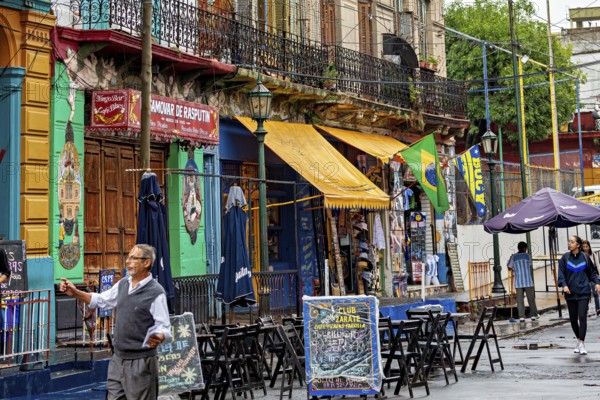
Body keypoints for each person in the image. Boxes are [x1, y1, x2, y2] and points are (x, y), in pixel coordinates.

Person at [60, 244, 171, 399]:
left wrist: (159, 336)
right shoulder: (123, 284)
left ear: (146, 263)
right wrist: (76, 292)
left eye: (133, 258)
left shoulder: (156, 292)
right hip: (118, 358)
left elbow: (165, 327)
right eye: (128, 257)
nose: (128, 261)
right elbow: (101, 300)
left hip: (141, 361)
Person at [558, 235, 600, 355]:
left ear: (578, 245)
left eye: (571, 242)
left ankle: (581, 343)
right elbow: (561, 274)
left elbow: (592, 273)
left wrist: (597, 283)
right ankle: (578, 339)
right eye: (568, 241)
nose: (569, 243)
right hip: (570, 293)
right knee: (572, 319)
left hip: (584, 293)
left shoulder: (586, 257)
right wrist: (564, 285)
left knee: (582, 317)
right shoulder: (565, 258)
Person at [507, 242, 538, 323]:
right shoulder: (528, 256)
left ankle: (521, 317)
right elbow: (530, 265)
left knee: (519, 300)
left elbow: (509, 267)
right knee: (531, 298)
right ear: (524, 248)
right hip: (528, 281)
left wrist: (511, 259)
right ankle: (533, 315)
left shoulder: (514, 257)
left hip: (519, 282)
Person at [582, 240, 600, 317]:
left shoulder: (593, 255)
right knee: (586, 294)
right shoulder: (581, 256)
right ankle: (586, 309)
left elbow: (598, 266)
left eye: (587, 246)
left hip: (593, 277)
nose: (585, 248)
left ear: (589, 247)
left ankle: (598, 309)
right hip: (584, 277)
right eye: (584, 247)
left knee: (595, 294)